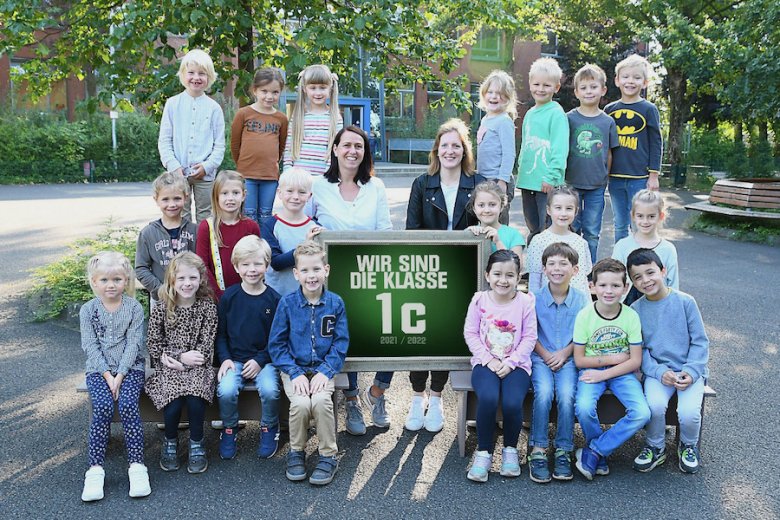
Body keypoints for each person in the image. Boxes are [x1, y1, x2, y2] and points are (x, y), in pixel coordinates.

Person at [307, 125, 393, 435]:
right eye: (346, 145)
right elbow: (303, 222)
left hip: (372, 272)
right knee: (345, 338)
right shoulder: (318, 186)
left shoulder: (376, 187)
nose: (352, 151)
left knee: (391, 332)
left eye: (359, 146)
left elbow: (384, 230)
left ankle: (378, 393)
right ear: (335, 149)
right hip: (333, 278)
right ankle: (353, 399)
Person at [405, 118, 486, 432]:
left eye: (457, 145)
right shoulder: (422, 183)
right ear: (436, 149)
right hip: (426, 269)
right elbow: (412, 232)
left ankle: (436, 396)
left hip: (463, 271)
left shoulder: (478, 183)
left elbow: (492, 222)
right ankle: (416, 396)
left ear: (464, 150)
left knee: (447, 334)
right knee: (419, 333)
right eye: (445, 145)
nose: (450, 151)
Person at [268, 241, 348, 485]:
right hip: (296, 370)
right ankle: (296, 451)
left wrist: (326, 371)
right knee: (302, 403)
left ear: (326, 270)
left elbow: (340, 343)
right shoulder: (287, 304)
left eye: (316, 269)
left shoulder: (335, 303)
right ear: (296, 273)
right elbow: (277, 346)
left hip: (324, 369)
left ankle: (328, 455)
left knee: (322, 400)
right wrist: (294, 373)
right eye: (305, 270)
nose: (311, 276)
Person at [627, 248, 709, 474]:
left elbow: (700, 341)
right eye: (638, 277)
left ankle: (688, 445)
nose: (646, 280)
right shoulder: (636, 310)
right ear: (633, 283)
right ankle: (655, 447)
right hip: (658, 373)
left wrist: (691, 372)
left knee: (689, 412)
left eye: (650, 272)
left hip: (689, 371)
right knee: (654, 406)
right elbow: (640, 350)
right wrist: (657, 371)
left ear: (663, 271)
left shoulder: (685, 302)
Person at [79, 251, 150, 502]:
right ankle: (95, 470)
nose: (111, 285)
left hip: (130, 369)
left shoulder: (133, 307)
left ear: (126, 280)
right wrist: (108, 375)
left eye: (117, 280)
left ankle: (137, 466)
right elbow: (90, 345)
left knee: (129, 405)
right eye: (105, 280)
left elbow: (134, 343)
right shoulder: (88, 310)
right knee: (102, 407)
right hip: (99, 370)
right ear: (94, 282)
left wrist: (120, 374)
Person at [573, 258, 651, 480]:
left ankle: (595, 450)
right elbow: (579, 360)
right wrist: (613, 358)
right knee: (584, 407)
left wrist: (605, 373)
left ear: (625, 288)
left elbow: (635, 360)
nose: (609, 291)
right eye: (603, 285)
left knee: (642, 413)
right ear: (592, 287)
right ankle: (599, 453)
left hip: (622, 372)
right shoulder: (585, 316)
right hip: (592, 369)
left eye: (615, 286)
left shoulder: (630, 316)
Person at [464, 250, 537, 482]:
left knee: (512, 401)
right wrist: (490, 360)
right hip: (486, 363)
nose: (503, 280)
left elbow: (529, 337)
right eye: (497, 274)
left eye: (509, 275)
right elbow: (471, 333)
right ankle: (483, 452)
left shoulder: (526, 302)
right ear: (487, 275)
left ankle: (510, 451)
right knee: (487, 397)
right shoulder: (479, 300)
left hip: (517, 365)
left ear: (518, 278)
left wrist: (511, 362)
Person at [144, 252, 217, 474]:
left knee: (195, 400)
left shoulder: (207, 307)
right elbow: (154, 342)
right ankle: (170, 442)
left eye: (192, 278)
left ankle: (196, 443)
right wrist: (177, 358)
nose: (187, 283)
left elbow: (208, 342)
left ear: (201, 279)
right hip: (169, 367)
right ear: (172, 280)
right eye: (181, 278)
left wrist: (187, 362)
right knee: (173, 403)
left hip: (198, 367)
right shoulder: (163, 307)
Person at [216, 236, 282, 460]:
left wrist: (260, 360)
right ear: (236, 266)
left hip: (264, 361)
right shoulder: (229, 297)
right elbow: (221, 334)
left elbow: (277, 339)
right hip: (233, 359)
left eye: (257, 264)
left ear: (266, 265)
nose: (252, 270)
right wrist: (224, 358)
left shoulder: (274, 300)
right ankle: (229, 428)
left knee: (271, 391)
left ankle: (269, 427)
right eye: (245, 264)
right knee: (225, 390)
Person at [528, 242, 589, 483]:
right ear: (543, 269)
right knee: (543, 392)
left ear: (575, 270)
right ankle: (539, 449)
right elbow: (529, 334)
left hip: (570, 357)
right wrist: (545, 355)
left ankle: (564, 448)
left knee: (566, 395)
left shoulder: (582, 300)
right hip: (540, 356)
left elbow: (583, 335)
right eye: (551, 263)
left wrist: (564, 354)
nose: (557, 268)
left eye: (564, 263)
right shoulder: (533, 299)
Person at [158, 49, 225, 223]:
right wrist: (174, 166)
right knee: (180, 215)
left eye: (202, 74)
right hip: (178, 174)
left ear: (209, 77)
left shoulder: (214, 108)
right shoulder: (172, 105)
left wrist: (208, 166)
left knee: (207, 217)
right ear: (182, 75)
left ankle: (204, 250)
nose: (196, 77)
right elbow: (165, 140)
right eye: (191, 73)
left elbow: (219, 145)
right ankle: (182, 249)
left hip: (205, 175)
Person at [606, 54, 663, 243]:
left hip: (639, 178)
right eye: (626, 77)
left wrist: (653, 174)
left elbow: (656, 142)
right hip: (615, 177)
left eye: (637, 77)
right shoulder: (609, 110)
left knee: (638, 223)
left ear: (645, 82)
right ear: (617, 80)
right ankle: (621, 262)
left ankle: (639, 260)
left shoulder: (648, 109)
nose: (630, 81)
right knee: (620, 223)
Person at [565, 64, 619, 263]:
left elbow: (609, 152)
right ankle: (570, 268)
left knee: (592, 232)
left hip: (596, 186)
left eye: (593, 87)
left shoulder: (607, 122)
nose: (589, 91)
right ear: (577, 92)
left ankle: (590, 272)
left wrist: (606, 177)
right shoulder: (569, 119)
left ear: (603, 90)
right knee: (572, 229)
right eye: (584, 88)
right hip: (571, 185)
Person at [516, 57, 569, 243]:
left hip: (546, 182)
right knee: (533, 228)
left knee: (547, 229)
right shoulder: (530, 113)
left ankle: (550, 267)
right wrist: (520, 169)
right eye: (536, 84)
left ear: (556, 87)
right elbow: (526, 145)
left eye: (546, 85)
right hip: (527, 181)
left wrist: (552, 177)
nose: (540, 89)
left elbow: (560, 147)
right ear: (530, 84)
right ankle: (533, 269)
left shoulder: (556, 113)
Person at [230, 67, 288, 228]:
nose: (269, 96)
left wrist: (272, 164)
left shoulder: (281, 118)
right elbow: (235, 145)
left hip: (269, 177)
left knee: (265, 215)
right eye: (264, 91)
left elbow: (281, 146)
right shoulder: (243, 114)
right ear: (255, 90)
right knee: (248, 215)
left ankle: (264, 250)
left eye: (275, 92)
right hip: (247, 175)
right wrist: (242, 165)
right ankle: (248, 250)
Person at [135, 172, 198, 311]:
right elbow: (141, 268)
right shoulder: (148, 233)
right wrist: (160, 289)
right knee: (161, 333)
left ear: (186, 198)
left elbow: (203, 264)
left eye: (177, 198)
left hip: (191, 298)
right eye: (165, 199)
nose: (172, 204)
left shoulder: (195, 230)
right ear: (156, 199)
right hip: (160, 300)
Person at [195, 170, 260, 300]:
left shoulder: (251, 226)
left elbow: (258, 261)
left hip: (247, 295)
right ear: (216, 196)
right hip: (216, 297)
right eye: (224, 193)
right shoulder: (206, 227)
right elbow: (202, 265)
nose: (230, 198)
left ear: (243, 195)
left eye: (235, 193)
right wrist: (219, 296)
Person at [262, 167, 323, 296]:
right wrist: (305, 245)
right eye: (289, 191)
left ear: (309, 196)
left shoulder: (315, 228)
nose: (295, 197)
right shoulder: (270, 226)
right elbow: (276, 263)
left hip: (308, 298)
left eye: (301, 192)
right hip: (277, 297)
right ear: (279, 193)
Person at [612, 189, 678, 305]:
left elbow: (673, 284)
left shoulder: (668, 249)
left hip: (659, 305)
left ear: (661, 216)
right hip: (627, 308)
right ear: (633, 215)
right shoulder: (622, 246)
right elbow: (614, 278)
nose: (645, 221)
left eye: (651, 216)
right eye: (640, 216)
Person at [525, 186, 592, 295]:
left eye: (569, 208)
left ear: (576, 211)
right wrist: (533, 306)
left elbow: (583, 281)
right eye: (558, 208)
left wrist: (587, 308)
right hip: (548, 306)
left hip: (576, 306)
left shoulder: (580, 242)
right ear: (548, 210)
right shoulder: (538, 241)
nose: (563, 213)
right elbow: (534, 280)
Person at [283, 64, 343, 176]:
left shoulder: (335, 118)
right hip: (298, 179)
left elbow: (335, 149)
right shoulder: (298, 117)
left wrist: (328, 174)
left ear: (330, 88)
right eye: (313, 88)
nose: (318, 93)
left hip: (323, 178)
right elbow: (289, 148)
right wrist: (288, 173)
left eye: (322, 87)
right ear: (305, 89)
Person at [476, 70, 517, 224]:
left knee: (498, 222)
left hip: (498, 180)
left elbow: (509, 154)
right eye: (490, 92)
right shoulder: (486, 119)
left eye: (500, 93)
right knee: (485, 221)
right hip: (484, 179)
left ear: (507, 98)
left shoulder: (504, 121)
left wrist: (502, 180)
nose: (494, 96)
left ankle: (501, 247)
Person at [466, 180, 525, 256]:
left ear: (501, 207)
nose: (487, 210)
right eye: (481, 205)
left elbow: (517, 266)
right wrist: (467, 237)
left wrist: (498, 242)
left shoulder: (513, 235)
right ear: (474, 208)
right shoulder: (469, 232)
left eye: (492, 204)